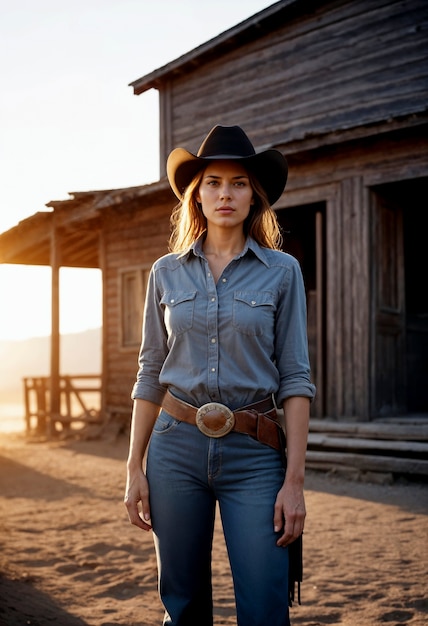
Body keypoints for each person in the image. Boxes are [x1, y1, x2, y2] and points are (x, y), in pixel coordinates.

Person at [124, 124, 316, 626]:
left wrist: (294, 480)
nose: (225, 193)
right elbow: (149, 373)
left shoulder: (282, 272)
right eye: (212, 182)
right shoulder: (165, 272)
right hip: (174, 450)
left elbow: (296, 378)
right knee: (182, 606)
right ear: (197, 195)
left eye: (238, 182)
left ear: (254, 196)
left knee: (265, 604)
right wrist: (133, 467)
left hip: (255, 454)